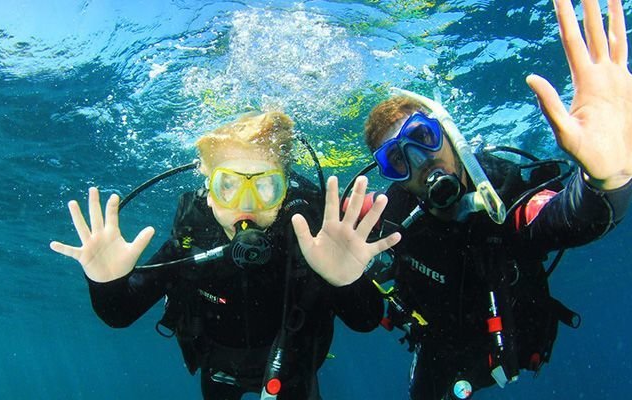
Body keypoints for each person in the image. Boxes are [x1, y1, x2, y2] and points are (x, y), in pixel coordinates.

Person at [357, 0, 632, 399]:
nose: (419, 162)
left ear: (448, 134)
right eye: (398, 160)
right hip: (441, 352)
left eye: (424, 138)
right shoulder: (392, 216)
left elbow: (566, 217)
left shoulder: (503, 189)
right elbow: (359, 296)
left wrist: (609, 182)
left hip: (515, 346)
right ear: (393, 177)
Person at [50, 111, 401, 399]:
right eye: (228, 186)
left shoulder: (308, 237)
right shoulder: (192, 236)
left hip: (295, 374)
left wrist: (347, 281)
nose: (246, 204)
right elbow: (119, 313)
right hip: (218, 372)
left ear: (285, 187)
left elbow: (367, 320)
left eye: (265, 185)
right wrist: (104, 282)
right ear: (208, 191)